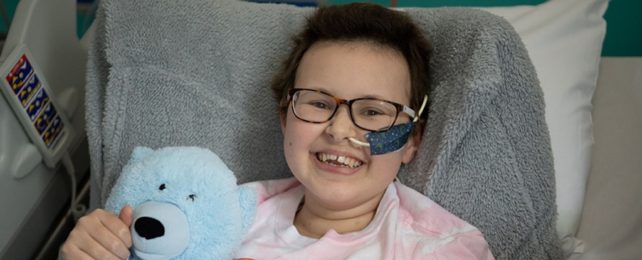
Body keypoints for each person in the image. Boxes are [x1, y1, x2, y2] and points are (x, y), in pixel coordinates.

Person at [60, 3, 493, 259]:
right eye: (319, 103)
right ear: (285, 116)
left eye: (374, 112)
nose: (340, 130)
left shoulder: (438, 249)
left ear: (412, 140)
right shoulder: (223, 218)